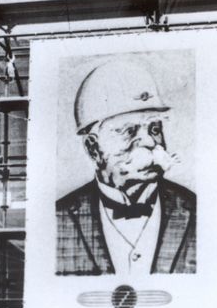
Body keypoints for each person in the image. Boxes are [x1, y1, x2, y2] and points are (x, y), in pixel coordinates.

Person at [55, 58, 196, 276]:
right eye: (129, 132)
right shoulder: (58, 218)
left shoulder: (196, 210)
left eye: (155, 128)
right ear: (93, 148)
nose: (150, 142)